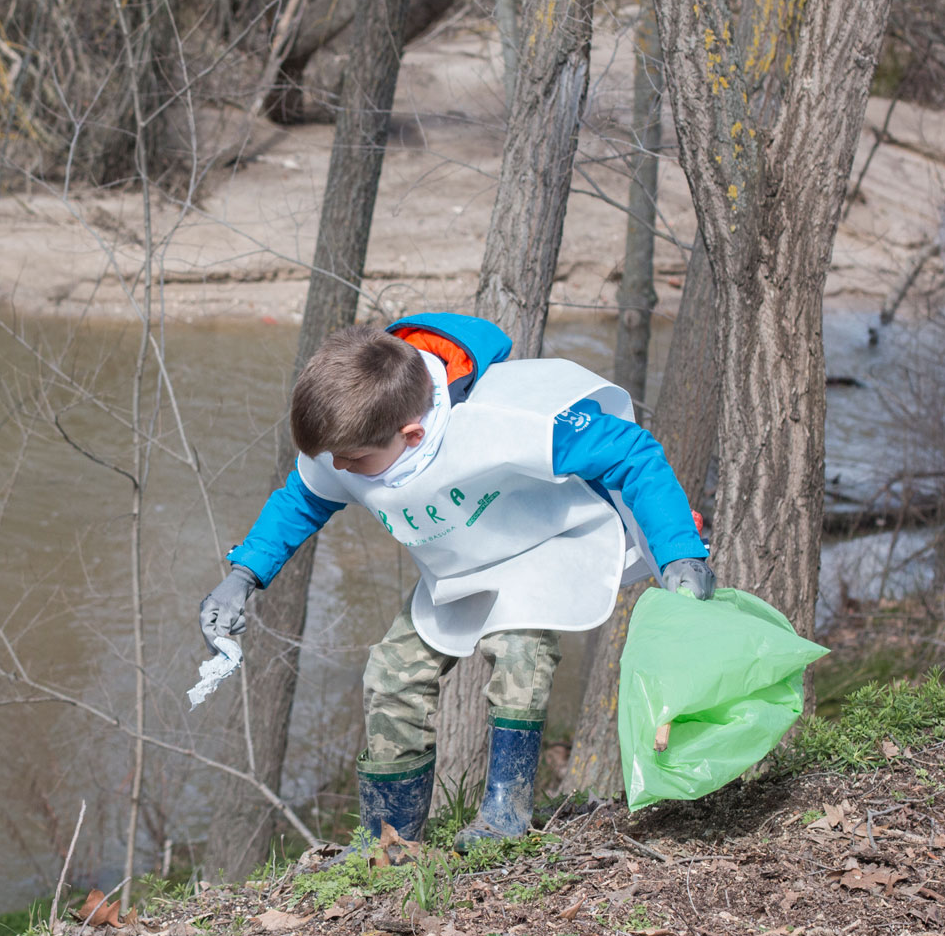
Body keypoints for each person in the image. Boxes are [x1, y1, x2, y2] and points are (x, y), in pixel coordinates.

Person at [198, 313, 715, 850]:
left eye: (352, 461)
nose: (340, 470)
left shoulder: (507, 418)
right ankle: (388, 840)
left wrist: (680, 552)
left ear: (412, 434)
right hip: (457, 565)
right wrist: (242, 576)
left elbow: (632, 453)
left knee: (520, 656)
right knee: (391, 674)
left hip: (540, 549)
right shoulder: (352, 441)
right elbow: (301, 500)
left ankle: (504, 817)